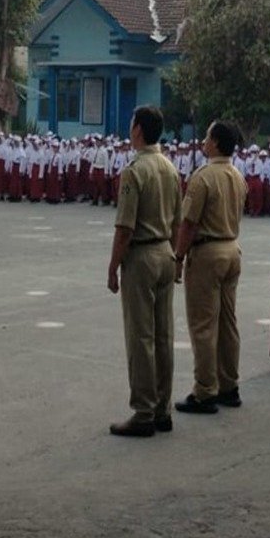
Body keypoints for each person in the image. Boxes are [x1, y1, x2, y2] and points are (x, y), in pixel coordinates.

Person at [105, 106, 182, 438]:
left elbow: (125, 227)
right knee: (164, 335)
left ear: (138, 130)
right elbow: (179, 219)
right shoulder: (169, 167)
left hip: (142, 255)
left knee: (141, 337)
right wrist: (177, 259)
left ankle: (144, 411)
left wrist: (112, 268)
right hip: (166, 251)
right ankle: (163, 408)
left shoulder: (134, 170)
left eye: (131, 123)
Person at [173, 120, 247, 416]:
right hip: (231, 247)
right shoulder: (237, 175)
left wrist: (178, 257)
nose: (203, 141)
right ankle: (229, 385)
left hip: (208, 252)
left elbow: (189, 222)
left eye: (206, 137)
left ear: (215, 142)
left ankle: (205, 390)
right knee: (227, 322)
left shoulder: (203, 177)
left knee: (203, 324)